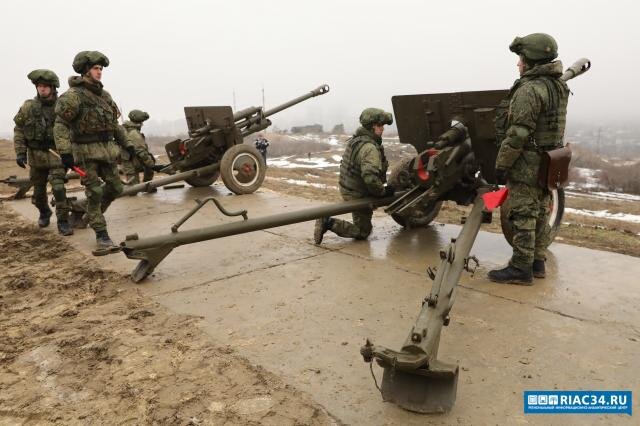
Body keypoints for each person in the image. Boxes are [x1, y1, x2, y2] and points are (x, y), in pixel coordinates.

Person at [488, 33, 569, 285]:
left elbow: (518, 133)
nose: (518, 63)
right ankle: (537, 262)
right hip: (549, 160)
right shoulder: (559, 87)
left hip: (527, 162)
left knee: (522, 213)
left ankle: (520, 268)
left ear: (531, 61)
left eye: (521, 59)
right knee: (541, 211)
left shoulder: (530, 90)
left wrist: (502, 164)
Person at [54, 51, 138, 249]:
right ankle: (102, 235)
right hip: (85, 153)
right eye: (95, 68)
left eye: (100, 69)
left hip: (107, 151)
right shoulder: (73, 96)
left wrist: (128, 144)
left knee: (116, 188)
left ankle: (80, 209)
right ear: (85, 70)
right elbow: (60, 125)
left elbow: (115, 125)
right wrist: (65, 152)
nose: (99, 72)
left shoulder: (105, 96)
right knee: (95, 192)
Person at [314, 108, 394, 244]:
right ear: (371, 127)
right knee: (363, 231)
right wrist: (382, 192)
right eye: (379, 125)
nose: (382, 128)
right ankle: (328, 222)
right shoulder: (369, 148)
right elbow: (370, 178)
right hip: (358, 194)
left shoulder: (357, 139)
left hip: (349, 187)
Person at [13, 69, 73, 235]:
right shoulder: (28, 107)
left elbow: (73, 130)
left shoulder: (62, 107)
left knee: (59, 189)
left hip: (57, 157)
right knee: (38, 194)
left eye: (46, 86)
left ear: (53, 88)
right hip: (36, 158)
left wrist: (70, 154)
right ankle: (44, 211)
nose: (42, 89)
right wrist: (20, 152)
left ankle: (63, 221)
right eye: (39, 86)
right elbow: (19, 130)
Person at [121, 109, 156, 187]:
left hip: (133, 160)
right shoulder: (134, 133)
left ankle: (146, 186)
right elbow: (141, 152)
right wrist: (152, 165)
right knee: (133, 188)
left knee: (149, 168)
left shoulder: (128, 129)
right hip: (130, 163)